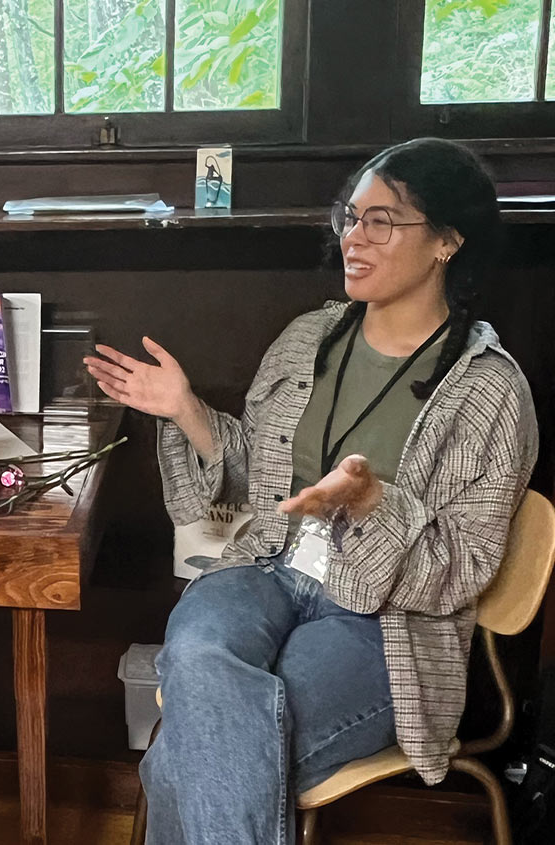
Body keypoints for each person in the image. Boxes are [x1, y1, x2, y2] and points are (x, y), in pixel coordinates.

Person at [85, 137, 538, 844]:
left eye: (381, 221)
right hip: (266, 568)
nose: (353, 238)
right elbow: (256, 483)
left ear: (448, 240)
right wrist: (187, 411)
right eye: (349, 218)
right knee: (202, 654)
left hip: (384, 622)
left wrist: (372, 503)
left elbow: (464, 567)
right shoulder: (308, 341)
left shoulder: (487, 391)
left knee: (196, 745)